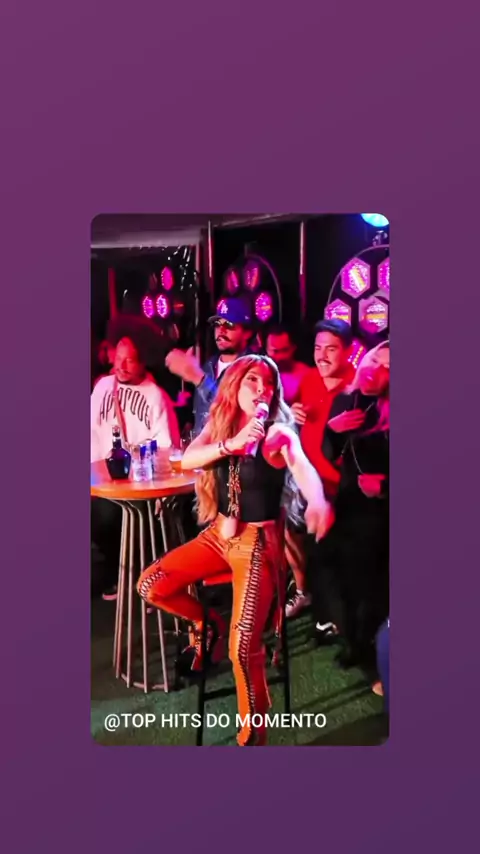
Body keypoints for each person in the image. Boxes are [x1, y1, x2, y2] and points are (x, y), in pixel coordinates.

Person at [137, 355, 334, 747]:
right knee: (150, 585)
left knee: (243, 647)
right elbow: (187, 459)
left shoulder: (278, 433)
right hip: (218, 536)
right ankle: (207, 623)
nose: (263, 390)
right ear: (235, 385)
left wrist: (317, 501)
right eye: (253, 381)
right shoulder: (222, 425)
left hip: (257, 544)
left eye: (269, 383)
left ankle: (254, 735)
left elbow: (302, 466)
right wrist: (231, 444)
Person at [91, 319, 180, 600]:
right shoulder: (102, 387)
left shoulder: (155, 396)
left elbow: (167, 446)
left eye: (129, 360)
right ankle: (118, 574)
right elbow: (90, 432)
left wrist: (159, 490)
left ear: (143, 362)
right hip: (105, 483)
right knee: (98, 518)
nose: (121, 365)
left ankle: (143, 580)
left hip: (142, 484)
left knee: (122, 520)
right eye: (118, 358)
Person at [314, 341, 390, 674]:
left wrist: (385, 487)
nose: (375, 369)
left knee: (369, 579)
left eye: (387, 366)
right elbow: (327, 455)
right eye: (374, 361)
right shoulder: (348, 400)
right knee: (328, 568)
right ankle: (353, 639)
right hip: (348, 505)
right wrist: (332, 431)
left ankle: (366, 645)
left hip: (384, 511)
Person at [284, 319, 355, 623]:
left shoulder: (357, 386)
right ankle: (303, 592)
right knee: (289, 532)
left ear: (348, 351)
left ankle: (338, 616)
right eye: (317, 348)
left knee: (333, 557)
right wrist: (293, 414)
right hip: (304, 480)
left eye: (331, 349)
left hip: (339, 488)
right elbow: (293, 420)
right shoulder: (310, 379)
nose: (322, 356)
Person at [164, 296, 258, 437]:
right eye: (217, 324)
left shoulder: (254, 369)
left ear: (247, 333)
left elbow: (234, 414)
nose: (221, 331)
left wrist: (198, 378)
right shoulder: (209, 365)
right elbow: (202, 415)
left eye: (229, 325)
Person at [265, 324, 309, 405]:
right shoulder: (257, 372)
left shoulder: (306, 375)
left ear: (293, 348)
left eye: (285, 350)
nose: (280, 357)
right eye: (275, 351)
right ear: (266, 350)